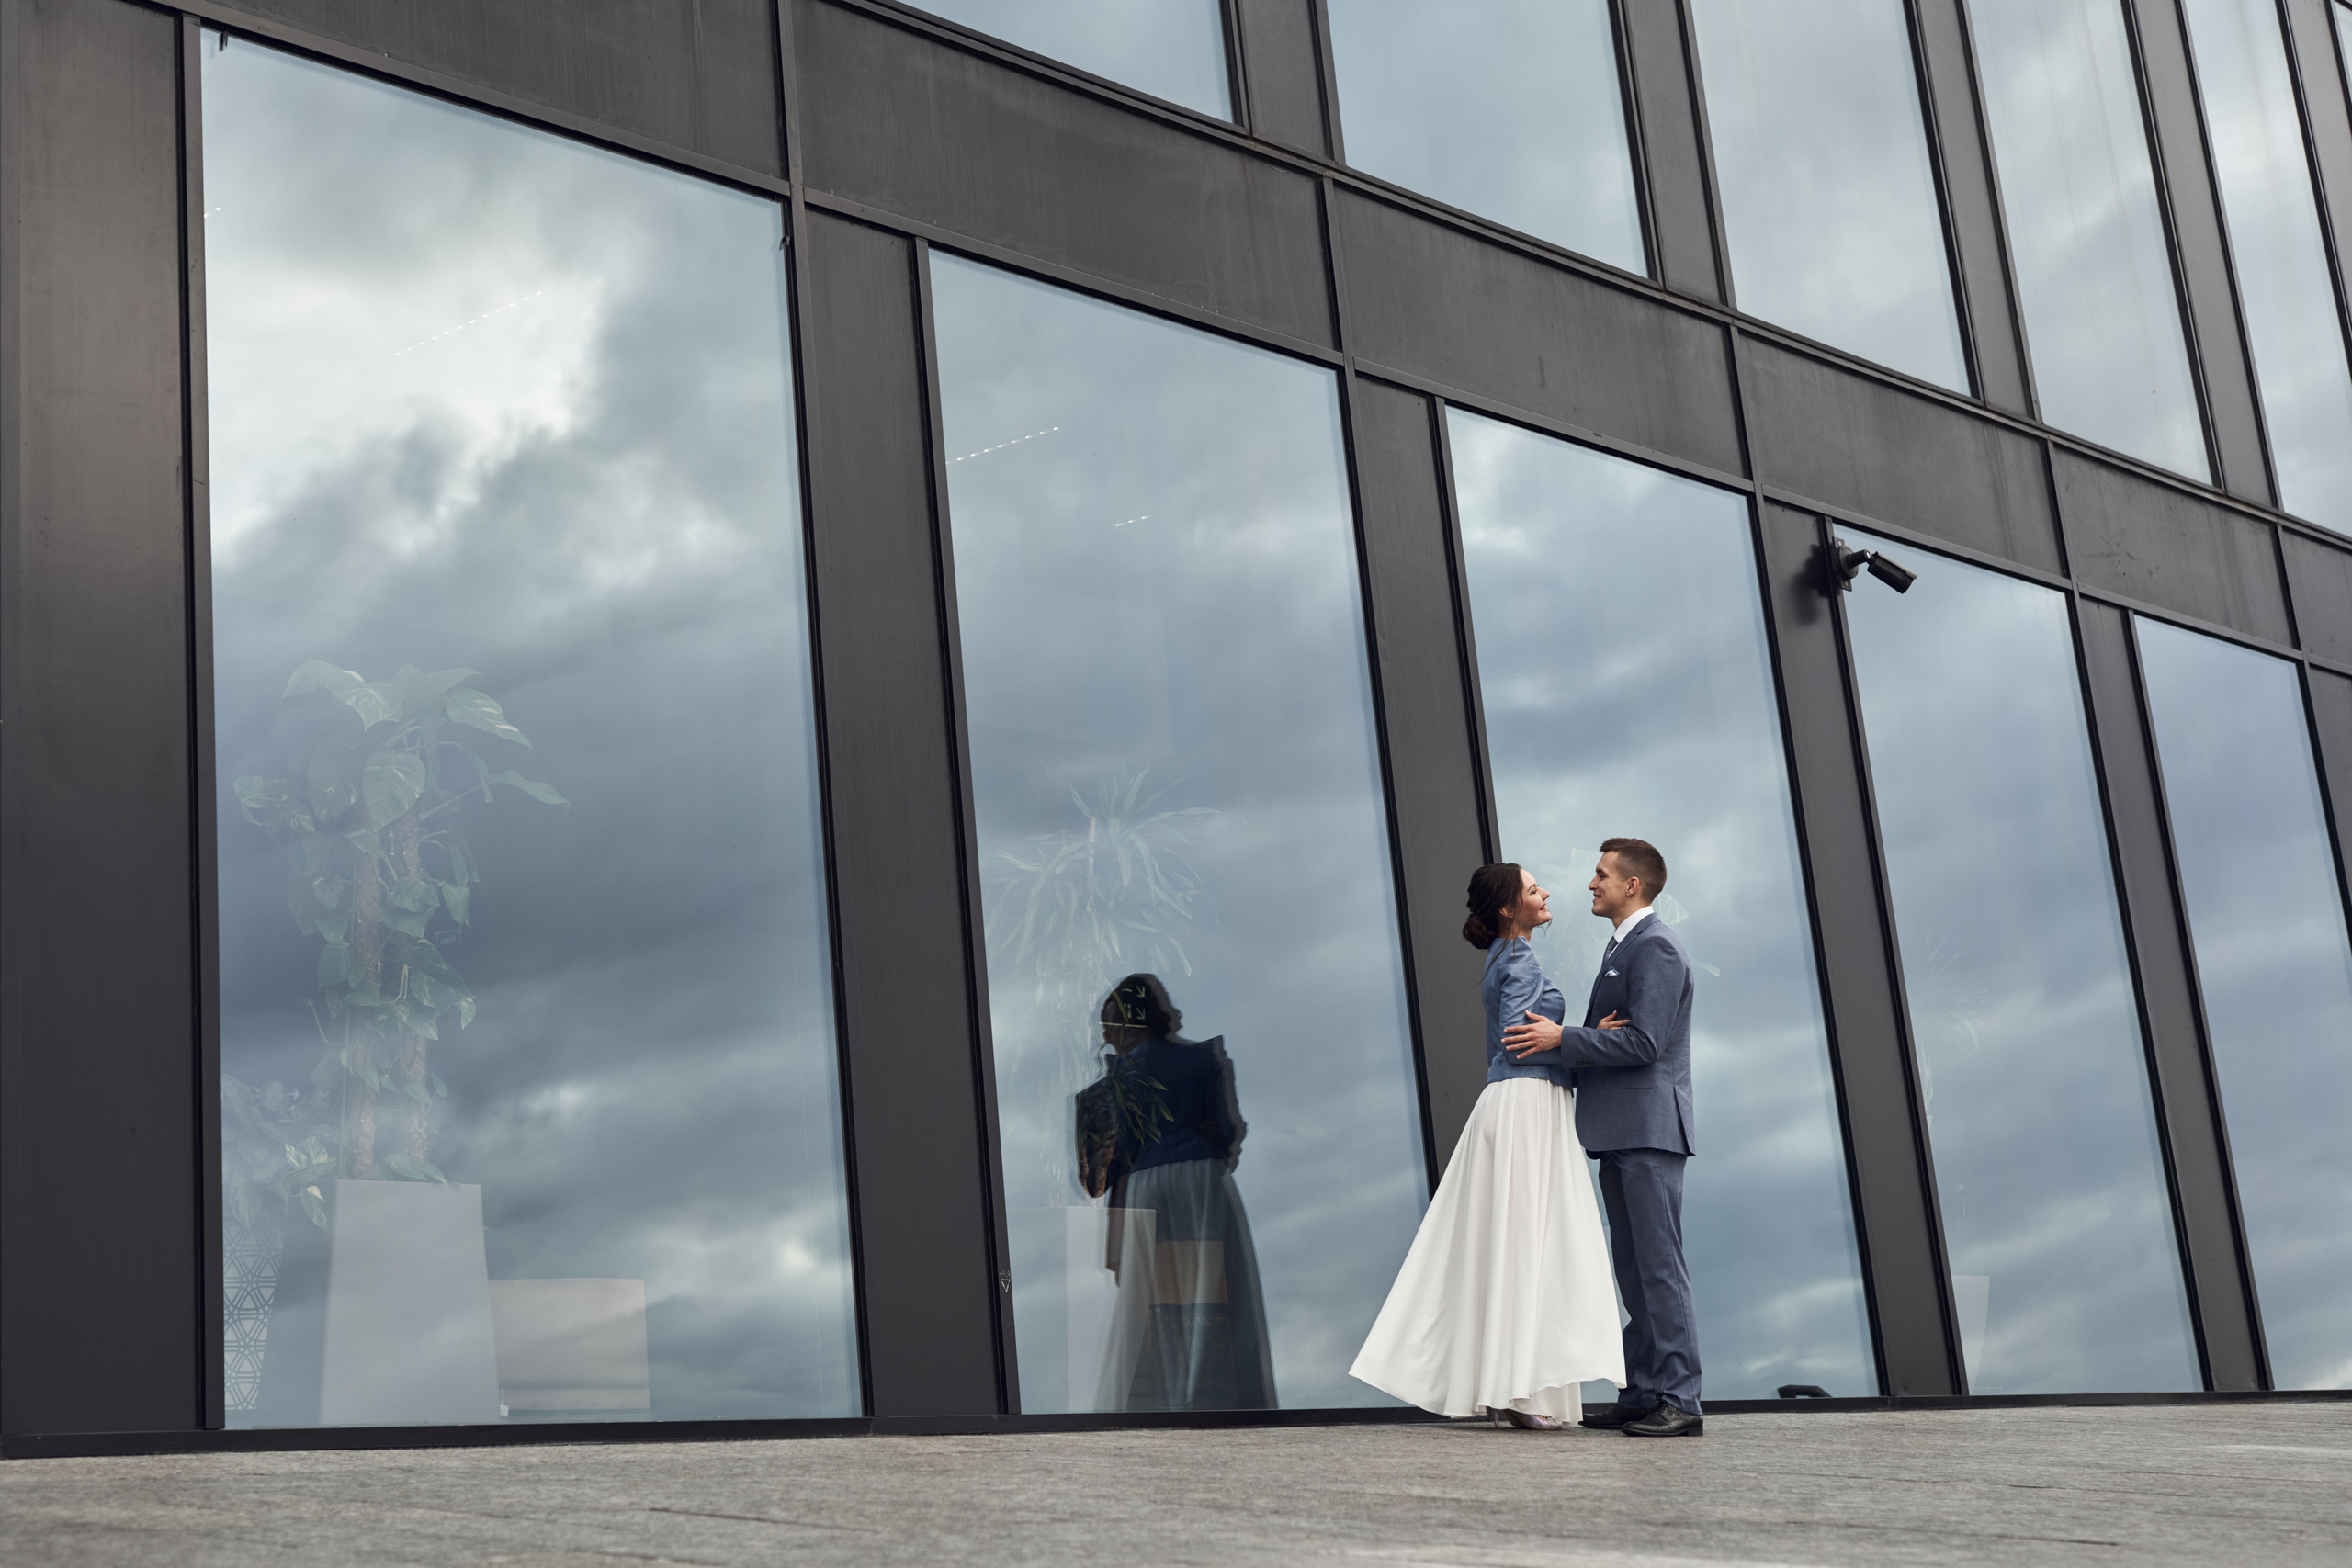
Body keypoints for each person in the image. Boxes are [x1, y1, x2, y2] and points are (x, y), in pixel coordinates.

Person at [1349, 863, 1624, 1428]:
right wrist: (1592, 1041)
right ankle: (1513, 1391)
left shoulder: (1503, 956)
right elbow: (1519, 1042)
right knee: (1528, 1245)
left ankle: (1508, 1387)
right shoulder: (1519, 957)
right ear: (1507, 909)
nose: (1545, 893)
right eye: (1532, 889)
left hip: (1517, 1104)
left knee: (1514, 1244)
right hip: (1527, 1104)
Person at [1504, 837, 1702, 1437]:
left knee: (1659, 1268)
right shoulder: (1627, 947)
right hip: (1623, 1131)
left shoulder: (1656, 948)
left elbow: (1645, 1042)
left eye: (1600, 874)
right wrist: (1581, 1037)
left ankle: (1679, 1399)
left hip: (1648, 1130)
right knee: (1635, 1269)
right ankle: (1643, 1392)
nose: (1591, 883)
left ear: (1631, 885)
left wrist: (1565, 1038)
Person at [1078, 974, 1275, 1412]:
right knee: (1211, 1286)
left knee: (1150, 1298)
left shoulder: (1116, 1081)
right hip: (1201, 1182)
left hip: (1146, 1187)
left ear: (1129, 1023)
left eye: (1110, 1025)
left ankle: (1166, 1400)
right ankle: (1207, 1398)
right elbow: (1226, 1130)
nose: (1106, 1037)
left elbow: (1099, 1172)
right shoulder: (1204, 1059)